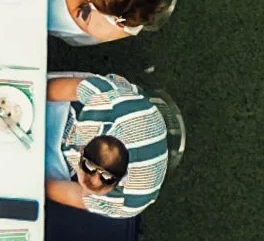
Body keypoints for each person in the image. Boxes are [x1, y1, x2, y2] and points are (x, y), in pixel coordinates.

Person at [47, 74, 173, 223]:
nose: (86, 192)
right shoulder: (106, 100)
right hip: (86, 113)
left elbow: (60, 191)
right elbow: (48, 89)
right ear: (82, 149)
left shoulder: (128, 202)